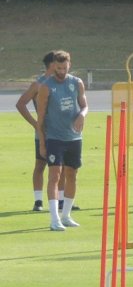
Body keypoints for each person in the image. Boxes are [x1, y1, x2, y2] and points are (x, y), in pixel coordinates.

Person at [35, 50, 87, 231]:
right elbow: (40, 119)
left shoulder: (76, 83)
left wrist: (82, 114)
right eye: (58, 68)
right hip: (54, 138)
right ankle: (54, 219)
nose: (62, 71)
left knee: (72, 175)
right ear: (53, 67)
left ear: (69, 65)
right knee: (55, 176)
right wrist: (42, 143)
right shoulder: (46, 87)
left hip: (74, 137)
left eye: (65, 68)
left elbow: (85, 105)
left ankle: (66, 215)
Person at [16, 52, 62, 211]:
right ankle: (38, 201)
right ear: (51, 65)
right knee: (41, 165)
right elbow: (21, 104)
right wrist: (35, 124)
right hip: (44, 132)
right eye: (58, 63)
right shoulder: (38, 84)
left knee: (60, 165)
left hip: (61, 131)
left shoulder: (61, 82)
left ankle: (61, 200)